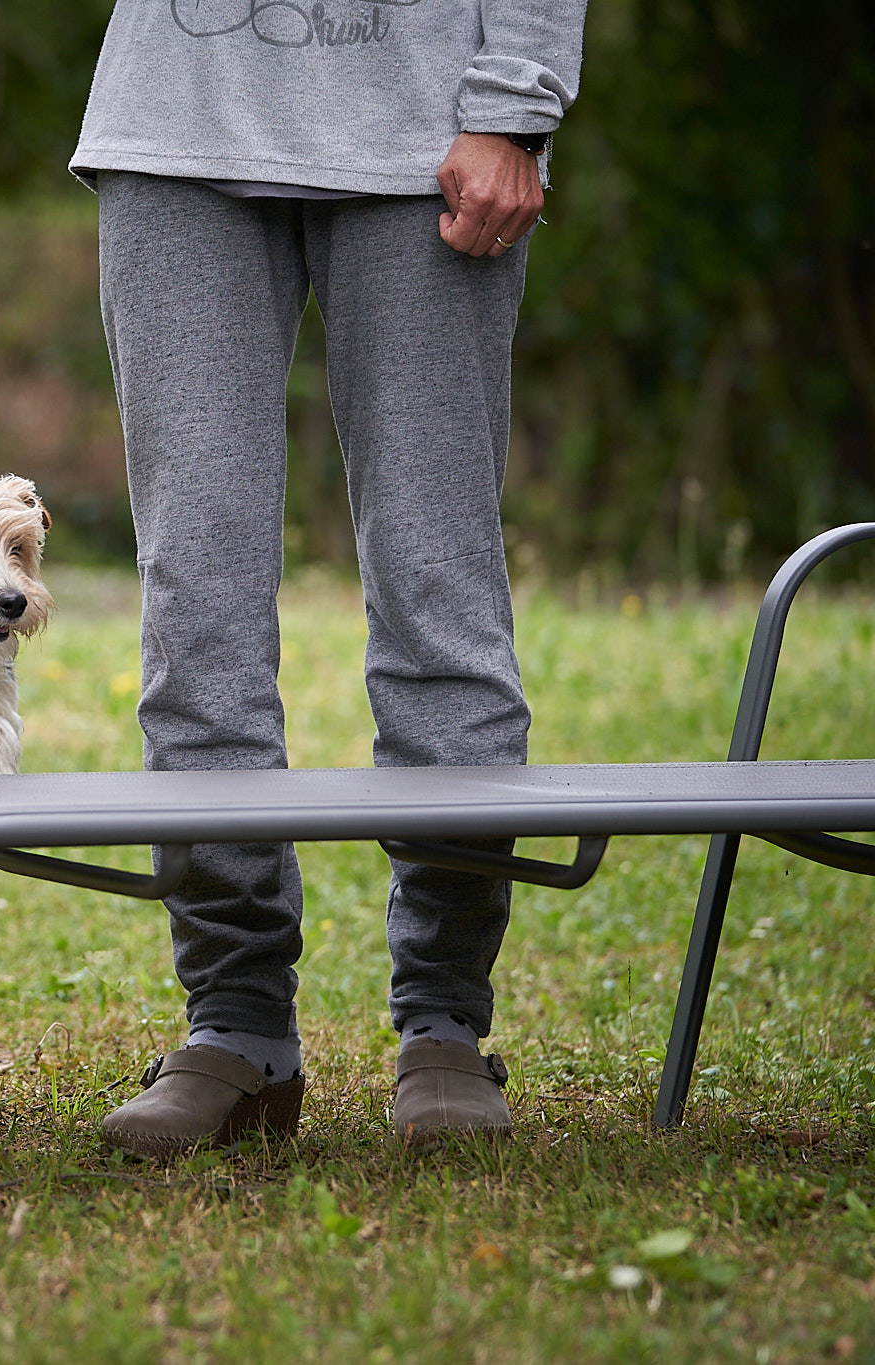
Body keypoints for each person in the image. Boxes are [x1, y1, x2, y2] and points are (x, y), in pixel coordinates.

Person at [70, 0, 587, 1155]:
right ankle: (237, 1024)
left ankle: (444, 1020)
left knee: (435, 590)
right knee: (194, 598)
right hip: (173, 130)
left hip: (429, 137)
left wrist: (515, 102)